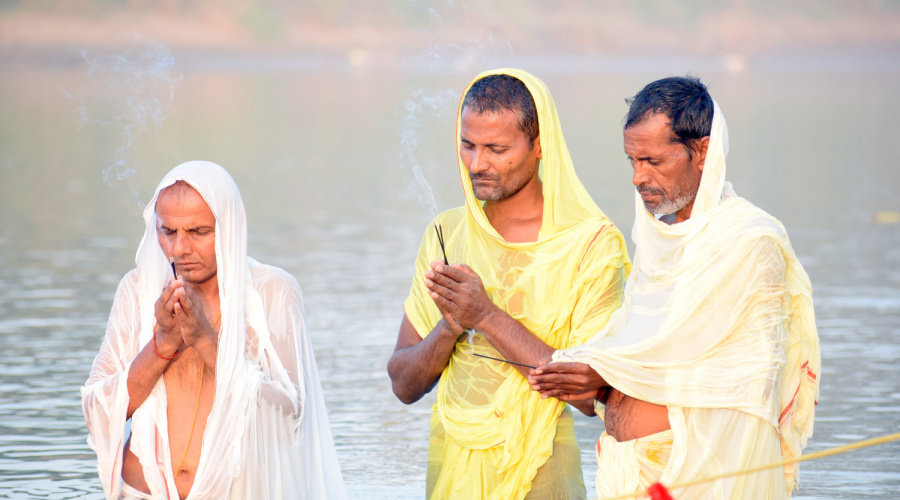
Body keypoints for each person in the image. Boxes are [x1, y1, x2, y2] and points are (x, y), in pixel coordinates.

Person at [528, 77, 821, 499]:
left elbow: (731, 377)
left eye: (653, 161)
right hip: (632, 475)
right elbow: (647, 347)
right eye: (631, 160)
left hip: (705, 477)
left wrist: (606, 371)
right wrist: (595, 375)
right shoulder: (657, 243)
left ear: (701, 151)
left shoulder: (751, 240)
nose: (637, 177)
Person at [387, 69, 631, 500]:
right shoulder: (446, 233)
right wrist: (451, 326)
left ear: (539, 147)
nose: (477, 164)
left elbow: (594, 395)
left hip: (542, 469)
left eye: (497, 149)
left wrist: (484, 315)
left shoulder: (589, 244)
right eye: (468, 145)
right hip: (451, 471)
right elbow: (404, 385)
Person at [81, 161, 347, 500]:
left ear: (230, 228)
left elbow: (290, 417)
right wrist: (162, 343)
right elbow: (97, 414)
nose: (180, 249)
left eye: (198, 232)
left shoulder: (272, 293)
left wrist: (207, 342)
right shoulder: (138, 290)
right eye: (169, 231)